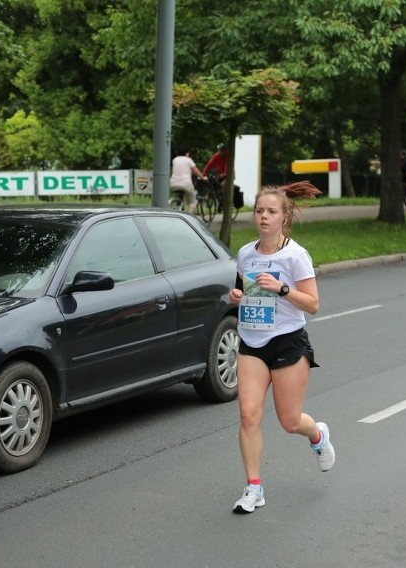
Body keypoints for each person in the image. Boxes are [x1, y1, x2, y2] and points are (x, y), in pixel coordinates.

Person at [227, 181, 335, 515]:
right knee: (248, 415)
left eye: (271, 212)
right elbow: (243, 293)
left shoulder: (295, 255)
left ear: (283, 218)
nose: (264, 217)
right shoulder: (245, 254)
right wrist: (237, 298)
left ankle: (317, 435)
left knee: (289, 421)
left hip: (287, 342)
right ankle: (253, 488)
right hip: (252, 342)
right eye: (259, 211)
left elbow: (313, 304)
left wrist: (282, 288)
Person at [170, 147, 206, 214]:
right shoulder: (188, 160)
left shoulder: (174, 160)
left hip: (173, 184)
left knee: (182, 196)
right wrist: (202, 177)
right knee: (192, 202)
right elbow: (195, 171)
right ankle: (188, 217)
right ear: (186, 153)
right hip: (185, 184)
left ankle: (179, 206)